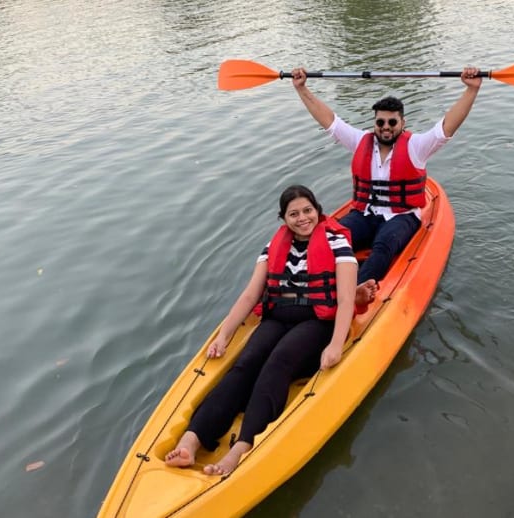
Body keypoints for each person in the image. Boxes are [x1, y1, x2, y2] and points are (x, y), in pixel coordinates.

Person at [165, 185, 375, 475]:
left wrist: (337, 344)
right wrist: (224, 336)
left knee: (279, 361)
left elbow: (345, 298)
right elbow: (251, 296)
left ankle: (243, 446)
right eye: (294, 214)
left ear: (317, 211)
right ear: (283, 218)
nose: (302, 218)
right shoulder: (272, 248)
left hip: (317, 322)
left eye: (307, 210)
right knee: (246, 363)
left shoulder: (338, 245)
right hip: (277, 319)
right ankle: (192, 439)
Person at [291, 66, 482, 284]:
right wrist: (302, 88)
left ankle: (354, 293)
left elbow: (447, 127)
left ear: (402, 123)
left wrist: (471, 91)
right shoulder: (361, 140)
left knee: (383, 246)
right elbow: (330, 122)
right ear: (375, 124)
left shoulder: (417, 147)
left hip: (402, 216)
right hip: (365, 213)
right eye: (380, 122)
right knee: (329, 239)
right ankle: (308, 284)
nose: (386, 127)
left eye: (392, 122)